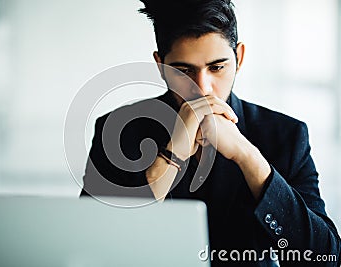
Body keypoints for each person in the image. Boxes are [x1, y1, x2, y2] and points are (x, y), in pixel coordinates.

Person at [80, 0, 341, 265]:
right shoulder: (117, 130)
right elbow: (91, 247)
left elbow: (324, 258)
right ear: (160, 66)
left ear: (238, 58)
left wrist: (248, 157)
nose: (203, 89)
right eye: (183, 71)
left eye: (217, 68)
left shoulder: (286, 135)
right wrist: (172, 154)